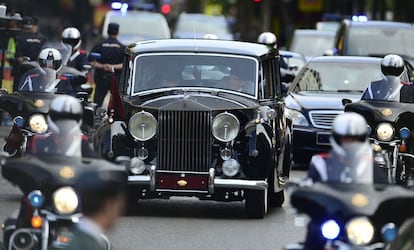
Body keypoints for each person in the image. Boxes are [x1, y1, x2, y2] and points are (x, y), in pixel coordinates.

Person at [63, 165, 127, 250]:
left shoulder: (79, 239)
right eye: (118, 203)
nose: (120, 210)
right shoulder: (88, 245)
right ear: (108, 205)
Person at [27, 95, 97, 158]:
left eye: (70, 119)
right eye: (59, 119)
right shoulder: (39, 143)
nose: (65, 124)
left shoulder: (82, 144)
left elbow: (95, 165)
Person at [89, 22, 125, 107]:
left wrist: (102, 66)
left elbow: (91, 61)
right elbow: (125, 65)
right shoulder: (122, 47)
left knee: (97, 103)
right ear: (117, 32)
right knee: (117, 104)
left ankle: (95, 118)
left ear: (107, 31)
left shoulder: (99, 46)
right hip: (116, 79)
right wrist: (113, 67)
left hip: (101, 78)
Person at [12, 16, 46, 92]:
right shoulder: (42, 39)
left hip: (22, 73)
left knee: (19, 93)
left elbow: (19, 59)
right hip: (39, 73)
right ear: (33, 26)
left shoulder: (19, 38)